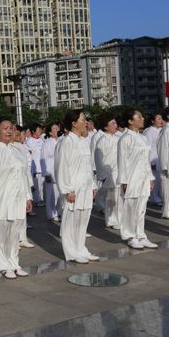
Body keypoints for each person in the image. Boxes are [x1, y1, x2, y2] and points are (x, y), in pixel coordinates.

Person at [0, 117, 32, 279]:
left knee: (15, 232)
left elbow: (24, 176)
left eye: (11, 128)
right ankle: (2, 265)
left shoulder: (17, 151)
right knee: (2, 233)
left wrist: (27, 196)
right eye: (5, 128)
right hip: (2, 200)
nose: (9, 131)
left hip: (18, 197)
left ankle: (13, 262)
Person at [56, 110, 99, 264]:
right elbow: (62, 167)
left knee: (83, 219)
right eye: (83, 120)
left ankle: (81, 248)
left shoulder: (84, 141)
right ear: (74, 123)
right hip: (73, 188)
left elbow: (89, 166)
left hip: (85, 186)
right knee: (70, 221)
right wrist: (68, 190)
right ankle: (72, 252)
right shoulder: (66, 142)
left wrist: (93, 184)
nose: (86, 122)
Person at [118, 109, 158, 249]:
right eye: (139, 117)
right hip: (132, 178)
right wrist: (124, 182)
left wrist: (150, 177)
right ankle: (131, 236)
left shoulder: (142, 138)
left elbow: (146, 160)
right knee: (131, 208)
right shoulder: (125, 139)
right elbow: (122, 162)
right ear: (130, 121)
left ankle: (141, 235)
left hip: (144, 177)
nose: (142, 119)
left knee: (141, 209)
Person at [94, 113, 122, 230]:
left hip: (119, 171)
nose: (116, 125)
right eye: (113, 123)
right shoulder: (102, 140)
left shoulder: (118, 139)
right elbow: (98, 159)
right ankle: (111, 220)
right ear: (106, 127)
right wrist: (103, 175)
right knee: (111, 197)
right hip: (109, 173)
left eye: (116, 123)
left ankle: (118, 218)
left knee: (119, 197)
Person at [142, 113, 164, 206]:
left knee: (160, 179)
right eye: (158, 119)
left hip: (160, 157)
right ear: (152, 121)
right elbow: (148, 147)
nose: (161, 120)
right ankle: (154, 198)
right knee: (155, 179)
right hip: (153, 159)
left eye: (161, 118)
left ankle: (159, 196)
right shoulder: (149, 131)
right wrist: (151, 162)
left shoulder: (161, 130)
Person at [40, 123, 60, 223]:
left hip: (59, 172)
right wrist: (45, 173)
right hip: (50, 172)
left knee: (59, 194)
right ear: (50, 132)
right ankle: (51, 214)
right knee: (51, 194)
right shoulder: (47, 143)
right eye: (54, 128)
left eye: (57, 128)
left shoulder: (60, 141)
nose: (57, 130)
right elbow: (43, 159)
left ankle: (58, 212)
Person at [25, 124, 45, 207]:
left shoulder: (42, 140)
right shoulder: (29, 141)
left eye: (40, 129)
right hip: (34, 167)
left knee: (41, 185)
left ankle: (41, 199)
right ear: (33, 131)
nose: (40, 131)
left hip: (42, 166)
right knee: (36, 185)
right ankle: (37, 200)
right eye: (38, 129)